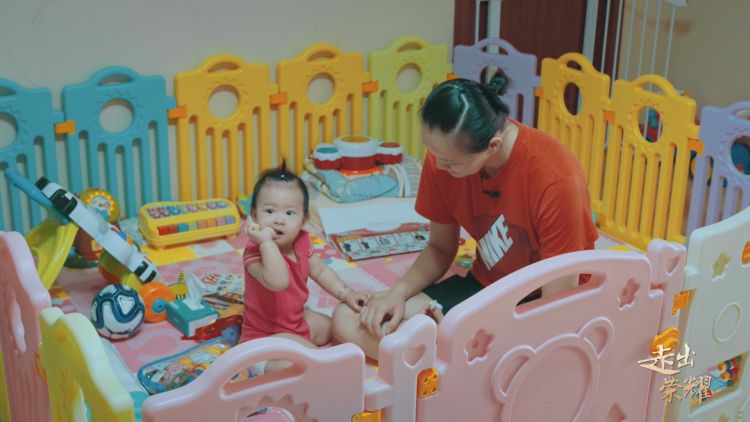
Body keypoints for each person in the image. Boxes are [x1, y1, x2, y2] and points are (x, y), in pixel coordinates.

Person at [331, 74, 599, 359]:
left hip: (545, 302)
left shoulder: (556, 178)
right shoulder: (442, 158)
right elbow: (439, 248)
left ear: (492, 146)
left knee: (538, 352)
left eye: (451, 162)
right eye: (433, 153)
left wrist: (461, 335)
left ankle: (455, 358)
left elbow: (557, 306)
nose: (438, 165)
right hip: (485, 288)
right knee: (347, 317)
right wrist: (397, 293)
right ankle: (457, 359)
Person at [240, 161, 374, 373]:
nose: (279, 220)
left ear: (304, 219)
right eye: (270, 211)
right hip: (264, 336)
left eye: (290, 213)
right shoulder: (255, 251)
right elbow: (278, 281)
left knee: (337, 326)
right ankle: (315, 366)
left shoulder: (302, 241)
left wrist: (347, 294)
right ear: (254, 215)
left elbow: (321, 271)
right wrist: (266, 242)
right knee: (304, 362)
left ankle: (348, 355)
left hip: (296, 322)